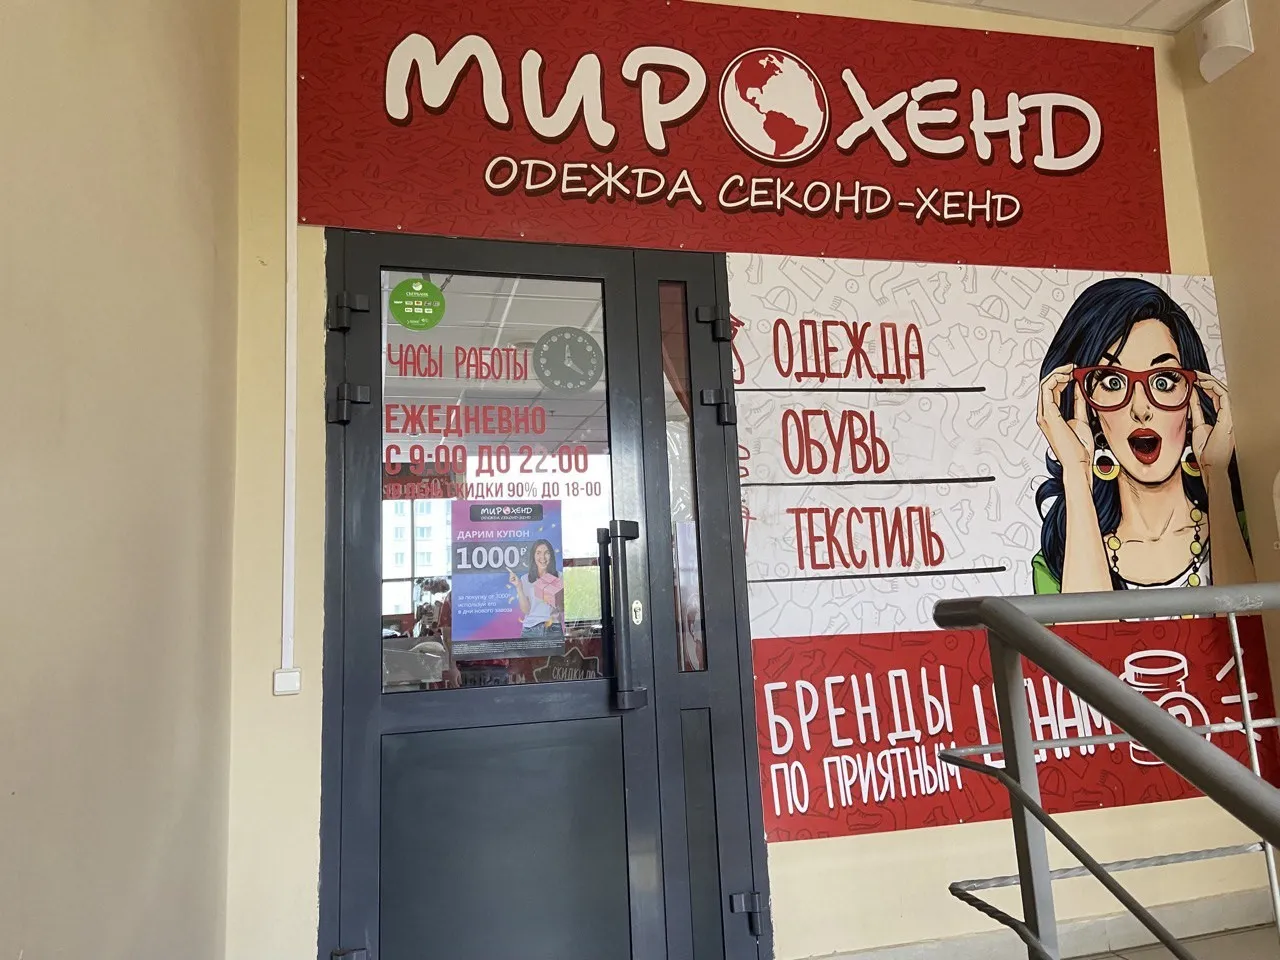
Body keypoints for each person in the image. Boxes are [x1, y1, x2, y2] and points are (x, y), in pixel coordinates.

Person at [1033, 278, 1251, 594]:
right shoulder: (1057, 563)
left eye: (1163, 381)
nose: (1141, 409)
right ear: (1088, 408)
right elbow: (1088, 627)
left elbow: (1251, 620)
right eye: (1112, 382)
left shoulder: (1250, 532)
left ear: (1193, 396)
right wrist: (1077, 474)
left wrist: (1215, 475)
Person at [508, 539, 564, 640]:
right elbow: (526, 610)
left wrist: (554, 595)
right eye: (538, 553)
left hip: (553, 629)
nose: (542, 557)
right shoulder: (525, 579)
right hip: (530, 630)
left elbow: (561, 608)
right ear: (533, 556)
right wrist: (519, 587)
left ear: (551, 555)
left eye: (546, 553)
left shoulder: (559, 576)